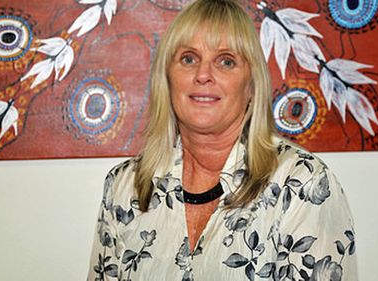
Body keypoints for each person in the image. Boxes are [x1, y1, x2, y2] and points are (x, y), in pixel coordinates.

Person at [87, 0, 357, 280]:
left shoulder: (303, 186)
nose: (203, 75)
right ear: (167, 80)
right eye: (189, 59)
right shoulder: (125, 186)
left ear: (251, 86)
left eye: (226, 61)